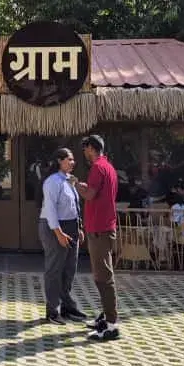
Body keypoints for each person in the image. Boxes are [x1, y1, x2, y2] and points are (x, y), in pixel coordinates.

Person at [75, 134, 120, 341]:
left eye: (85, 149)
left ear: (92, 148)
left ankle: (111, 325)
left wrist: (76, 184)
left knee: (104, 277)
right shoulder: (108, 167)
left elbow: (90, 195)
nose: (84, 153)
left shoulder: (97, 168)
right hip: (104, 227)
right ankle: (106, 315)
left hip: (100, 229)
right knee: (102, 275)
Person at [38, 148, 87, 324]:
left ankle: (67, 307)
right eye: (69, 159)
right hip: (55, 227)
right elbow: (50, 209)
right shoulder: (52, 182)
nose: (73, 162)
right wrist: (58, 232)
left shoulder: (69, 181)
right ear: (59, 160)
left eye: (73, 160)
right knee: (54, 270)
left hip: (71, 226)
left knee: (69, 269)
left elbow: (74, 205)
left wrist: (79, 227)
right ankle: (52, 311)